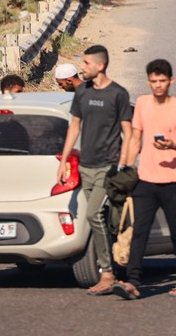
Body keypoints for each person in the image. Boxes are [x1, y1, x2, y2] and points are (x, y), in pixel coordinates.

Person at [112, 59, 176, 300]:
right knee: (140, 230)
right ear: (148, 81)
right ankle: (133, 282)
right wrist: (125, 168)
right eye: (153, 81)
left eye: (162, 81)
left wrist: (172, 144)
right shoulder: (141, 103)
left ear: (171, 81)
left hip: (172, 180)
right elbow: (135, 138)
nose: (157, 85)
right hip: (145, 180)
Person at [56, 45, 133, 295]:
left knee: (92, 215)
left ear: (100, 66)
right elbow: (74, 127)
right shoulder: (82, 94)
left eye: (87, 63)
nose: (83, 67)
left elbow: (128, 132)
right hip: (86, 166)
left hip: (108, 166)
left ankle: (107, 272)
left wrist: (123, 165)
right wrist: (64, 160)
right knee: (104, 219)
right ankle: (119, 263)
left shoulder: (118, 94)